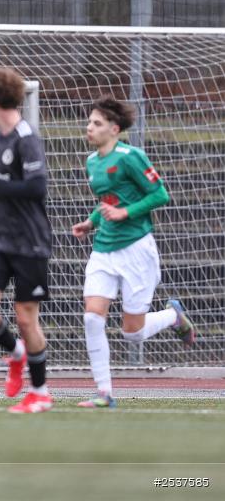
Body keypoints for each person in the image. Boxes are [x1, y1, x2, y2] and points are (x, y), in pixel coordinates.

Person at [71, 94, 195, 409]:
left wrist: (126, 214)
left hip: (137, 250)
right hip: (104, 250)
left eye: (96, 123)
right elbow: (110, 201)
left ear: (114, 128)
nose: (90, 127)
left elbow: (160, 195)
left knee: (133, 334)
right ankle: (104, 394)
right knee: (91, 318)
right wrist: (91, 221)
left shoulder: (131, 156)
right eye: (89, 122)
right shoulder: (92, 161)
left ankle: (173, 316)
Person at [0, 67, 53, 414]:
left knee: (25, 319)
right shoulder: (1, 138)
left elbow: (36, 188)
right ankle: (16, 354)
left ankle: (40, 393)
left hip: (29, 243)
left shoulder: (25, 137)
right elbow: (8, 184)